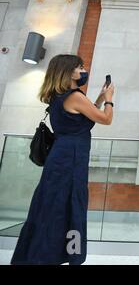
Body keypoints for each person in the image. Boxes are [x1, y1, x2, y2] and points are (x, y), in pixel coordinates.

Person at [11, 54, 114, 265]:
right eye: (80, 67)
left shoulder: (62, 96)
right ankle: (66, 255)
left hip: (62, 156)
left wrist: (100, 99)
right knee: (68, 206)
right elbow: (105, 119)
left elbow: (84, 118)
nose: (83, 70)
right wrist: (110, 99)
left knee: (53, 206)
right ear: (68, 72)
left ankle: (41, 254)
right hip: (71, 158)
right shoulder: (75, 96)